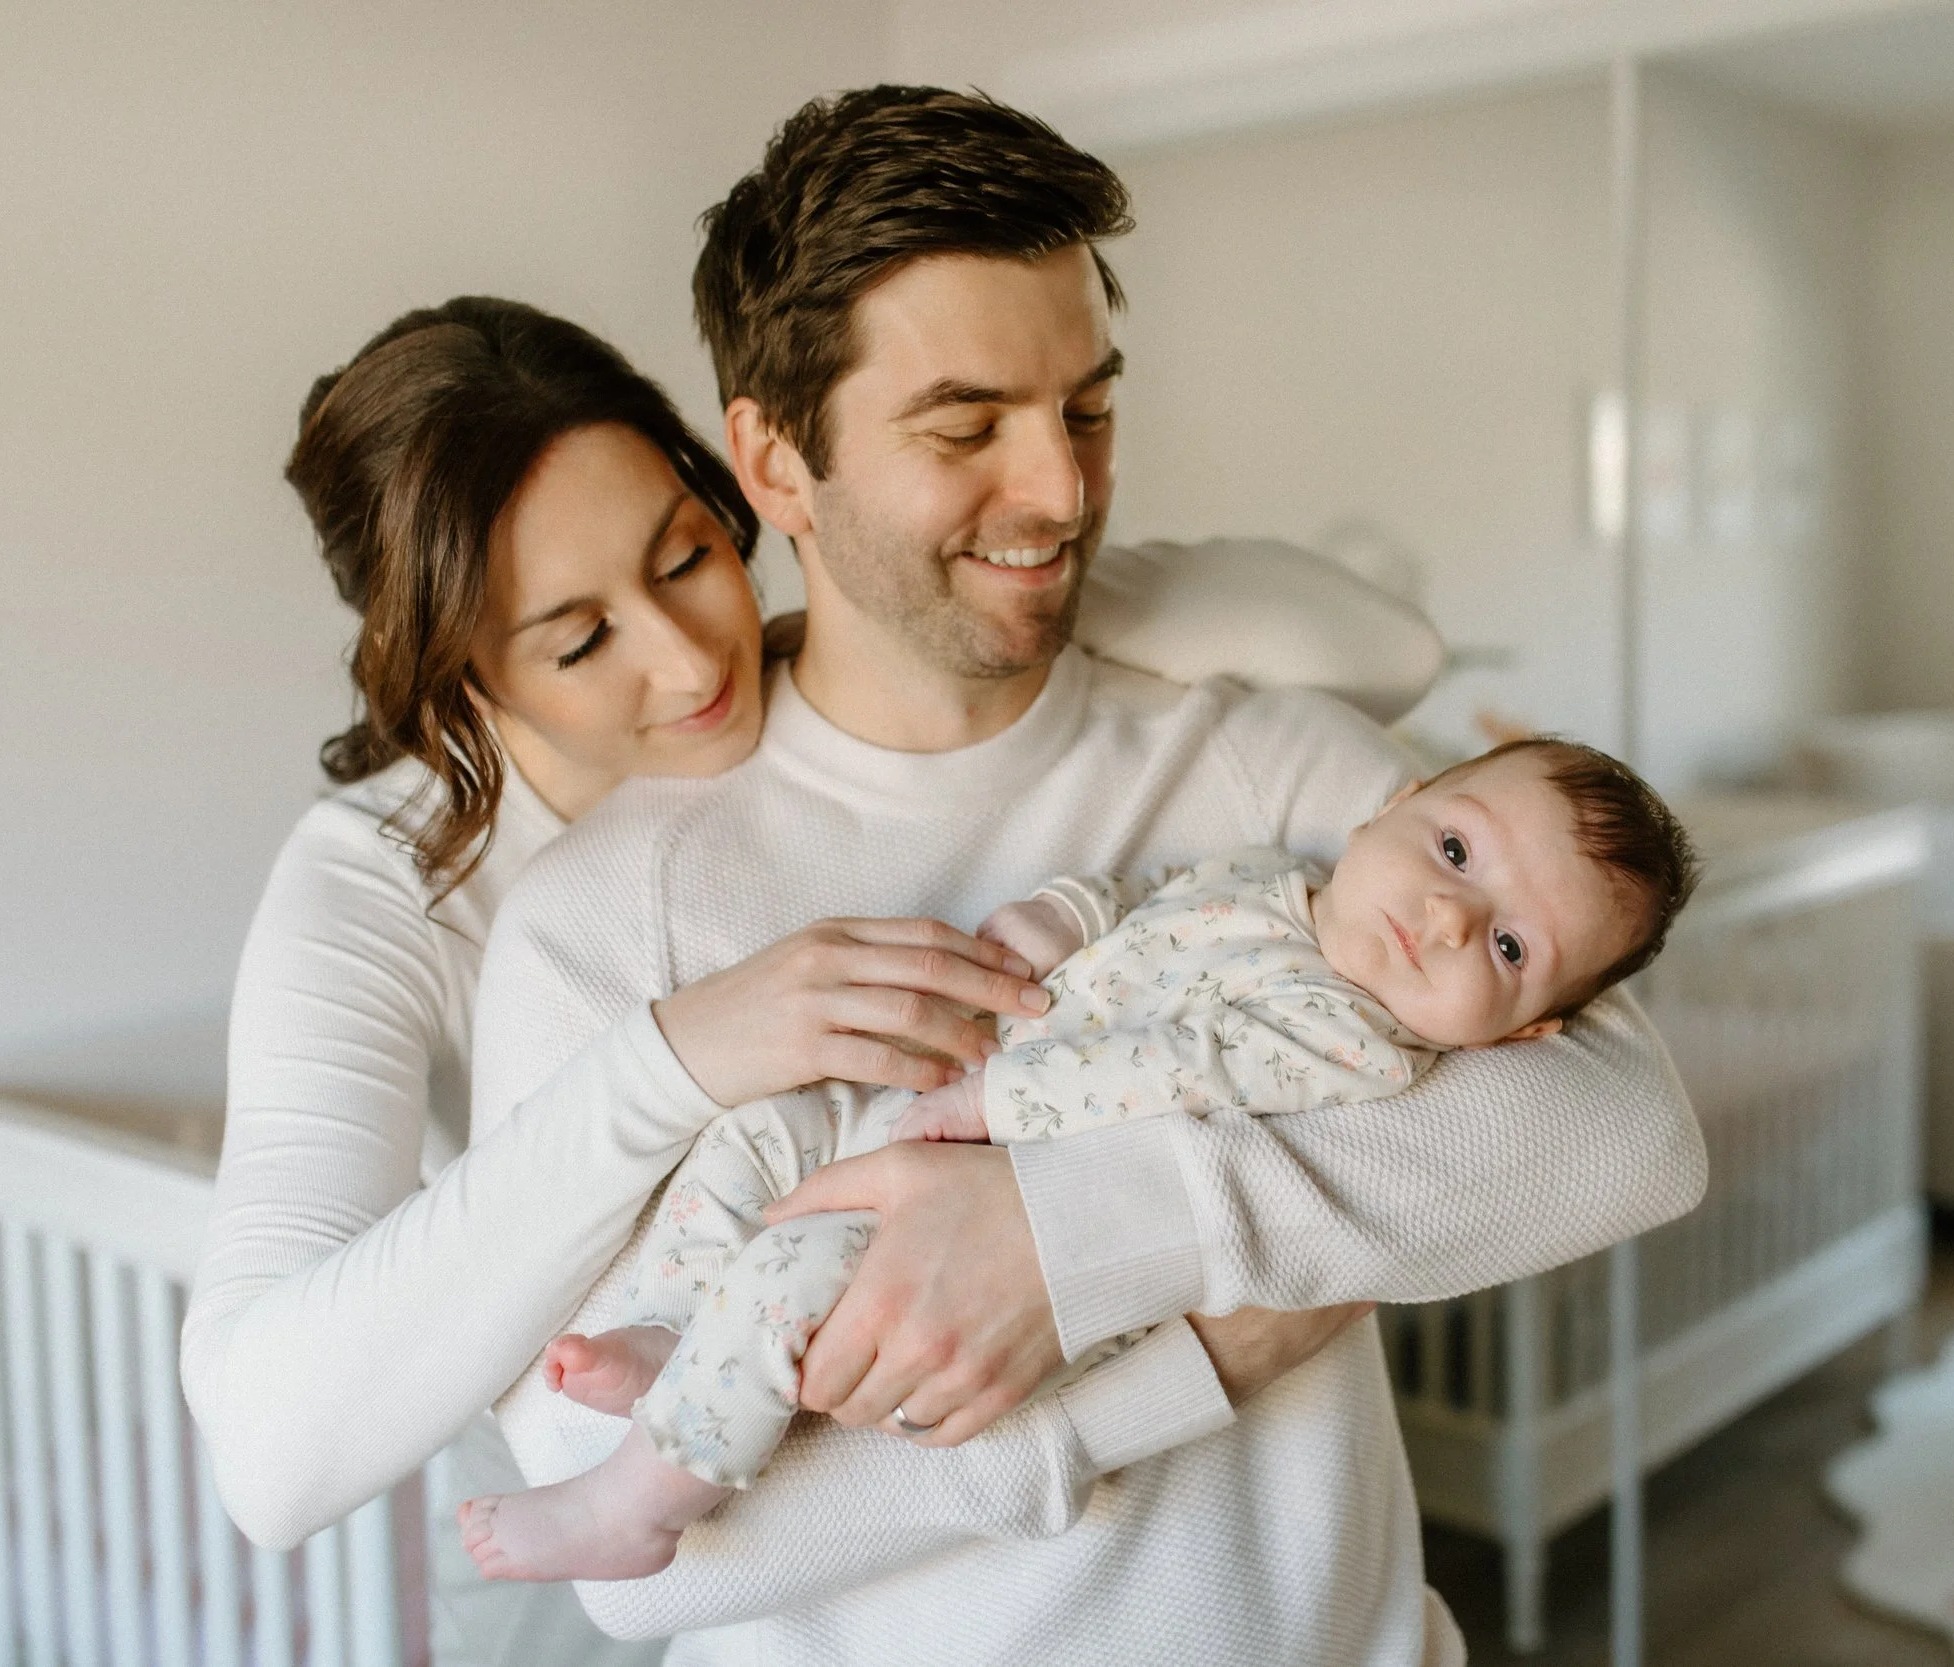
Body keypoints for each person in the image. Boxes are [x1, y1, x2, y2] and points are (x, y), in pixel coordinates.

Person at [470, 86, 1706, 1663]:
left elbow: (1627, 1135)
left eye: (1089, 407)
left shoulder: (1275, 767)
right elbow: (643, 1555)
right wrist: (1209, 1351)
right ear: (776, 461)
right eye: (966, 425)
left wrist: (1080, 1235)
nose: (1060, 491)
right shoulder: (607, 918)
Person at [179, 296, 1444, 1663]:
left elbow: (1393, 654)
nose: (686, 656)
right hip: (569, 1510)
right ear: (457, 676)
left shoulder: (805, 697)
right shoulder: (387, 882)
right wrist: (675, 1060)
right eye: (579, 637)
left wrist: (1010, 567)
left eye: (686, 554)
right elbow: (271, 1449)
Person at [459, 738, 1700, 1583]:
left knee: (801, 1268)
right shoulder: (1275, 879)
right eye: (1453, 852)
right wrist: (1066, 914)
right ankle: (683, 1335)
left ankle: (644, 1497)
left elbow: (1182, 1069)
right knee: (754, 1138)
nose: (1443, 919)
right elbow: (1148, 898)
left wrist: (1000, 1095)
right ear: (1398, 799)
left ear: (1532, 1029)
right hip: (953, 1101)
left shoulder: (1356, 1043)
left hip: (1027, 1180)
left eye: (1505, 947)